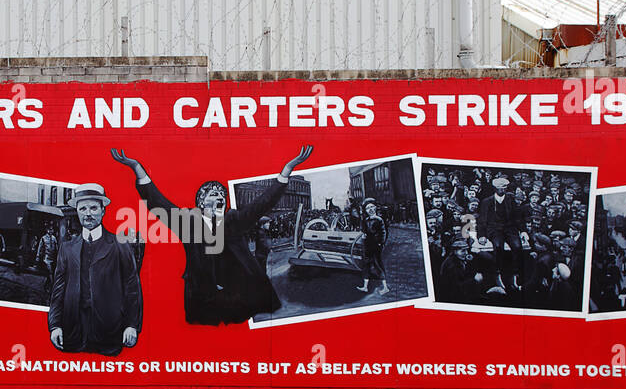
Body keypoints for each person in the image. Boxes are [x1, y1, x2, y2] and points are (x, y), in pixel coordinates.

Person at [111, 145, 313, 325]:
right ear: (200, 203)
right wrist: (137, 169)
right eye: (213, 194)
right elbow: (157, 203)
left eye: (222, 195)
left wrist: (286, 172)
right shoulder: (188, 224)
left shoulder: (234, 220)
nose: (219, 197)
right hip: (203, 299)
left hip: (239, 298)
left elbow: (262, 203)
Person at [48, 183, 142, 356]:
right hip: (73, 331)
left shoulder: (120, 245)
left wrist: (131, 325)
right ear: (77, 211)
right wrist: (55, 326)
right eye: (83, 208)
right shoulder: (67, 248)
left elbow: (132, 288)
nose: (88, 213)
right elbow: (58, 291)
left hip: (110, 331)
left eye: (93, 208)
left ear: (103, 210)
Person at [357, 199, 389, 296]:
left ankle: (385, 287)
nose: (370, 209)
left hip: (376, 246)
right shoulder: (366, 220)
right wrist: (363, 235)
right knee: (366, 265)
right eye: (367, 208)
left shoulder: (379, 219)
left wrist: (381, 243)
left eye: (371, 207)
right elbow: (364, 231)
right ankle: (365, 286)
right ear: (365, 210)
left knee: (377, 265)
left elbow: (384, 232)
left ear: (375, 207)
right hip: (367, 245)